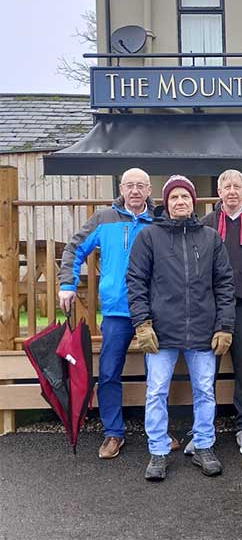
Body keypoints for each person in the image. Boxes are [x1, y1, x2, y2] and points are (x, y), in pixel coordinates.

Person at [127, 175, 235, 481]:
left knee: (204, 390)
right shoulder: (149, 236)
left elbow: (224, 283)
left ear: (193, 202)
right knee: (156, 391)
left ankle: (203, 445)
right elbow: (135, 281)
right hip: (161, 331)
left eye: (184, 197)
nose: (179, 202)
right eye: (173, 197)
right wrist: (142, 323)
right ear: (166, 203)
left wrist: (224, 325)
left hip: (203, 329)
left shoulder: (211, 238)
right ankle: (158, 451)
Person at [59, 167, 160, 460]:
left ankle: (160, 430)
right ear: (121, 188)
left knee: (159, 373)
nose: (135, 190)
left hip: (153, 312)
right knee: (109, 373)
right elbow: (75, 248)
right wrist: (67, 283)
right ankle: (113, 433)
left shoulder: (159, 220)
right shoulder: (104, 219)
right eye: (129, 185)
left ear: (149, 189)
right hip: (117, 311)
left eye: (141, 185)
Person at [182, 169, 242, 457]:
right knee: (207, 373)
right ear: (219, 192)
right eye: (226, 186)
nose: (232, 191)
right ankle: (203, 429)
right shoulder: (204, 225)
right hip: (210, 310)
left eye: (237, 186)